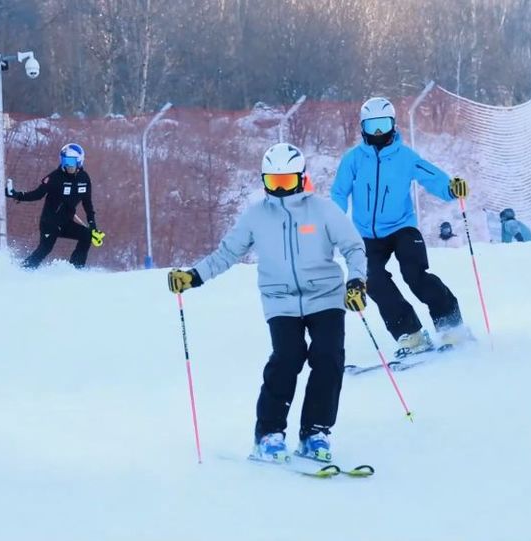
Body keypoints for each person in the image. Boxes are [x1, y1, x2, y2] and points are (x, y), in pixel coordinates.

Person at [167, 143, 367, 464]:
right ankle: (269, 434)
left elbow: (354, 248)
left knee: (328, 357)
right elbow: (227, 253)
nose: (280, 190)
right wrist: (194, 276)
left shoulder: (324, 210)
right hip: (280, 300)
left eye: (286, 182)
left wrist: (356, 280)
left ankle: (315, 432)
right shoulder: (256, 216)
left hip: (325, 297)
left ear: (302, 179)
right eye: (273, 183)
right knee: (288, 357)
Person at [331, 97, 473, 359]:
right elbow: (339, 193)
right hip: (366, 234)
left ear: (393, 125)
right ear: (362, 127)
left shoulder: (405, 157)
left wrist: (450, 188)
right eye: (372, 126)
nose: (378, 132)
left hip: (402, 228)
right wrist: (332, 223)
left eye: (383, 124)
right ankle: (412, 334)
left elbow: (432, 177)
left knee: (414, 273)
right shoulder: (353, 159)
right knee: (372, 280)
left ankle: (450, 323)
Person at [6, 143, 105, 269]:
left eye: (71, 161)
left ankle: (76, 270)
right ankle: (23, 270)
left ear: (79, 161)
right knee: (45, 249)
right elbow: (37, 194)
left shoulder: (84, 178)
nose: (68, 165)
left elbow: (88, 204)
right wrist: (17, 195)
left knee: (86, 235)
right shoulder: (54, 177)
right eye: (64, 161)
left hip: (66, 222)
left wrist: (92, 225)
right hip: (50, 223)